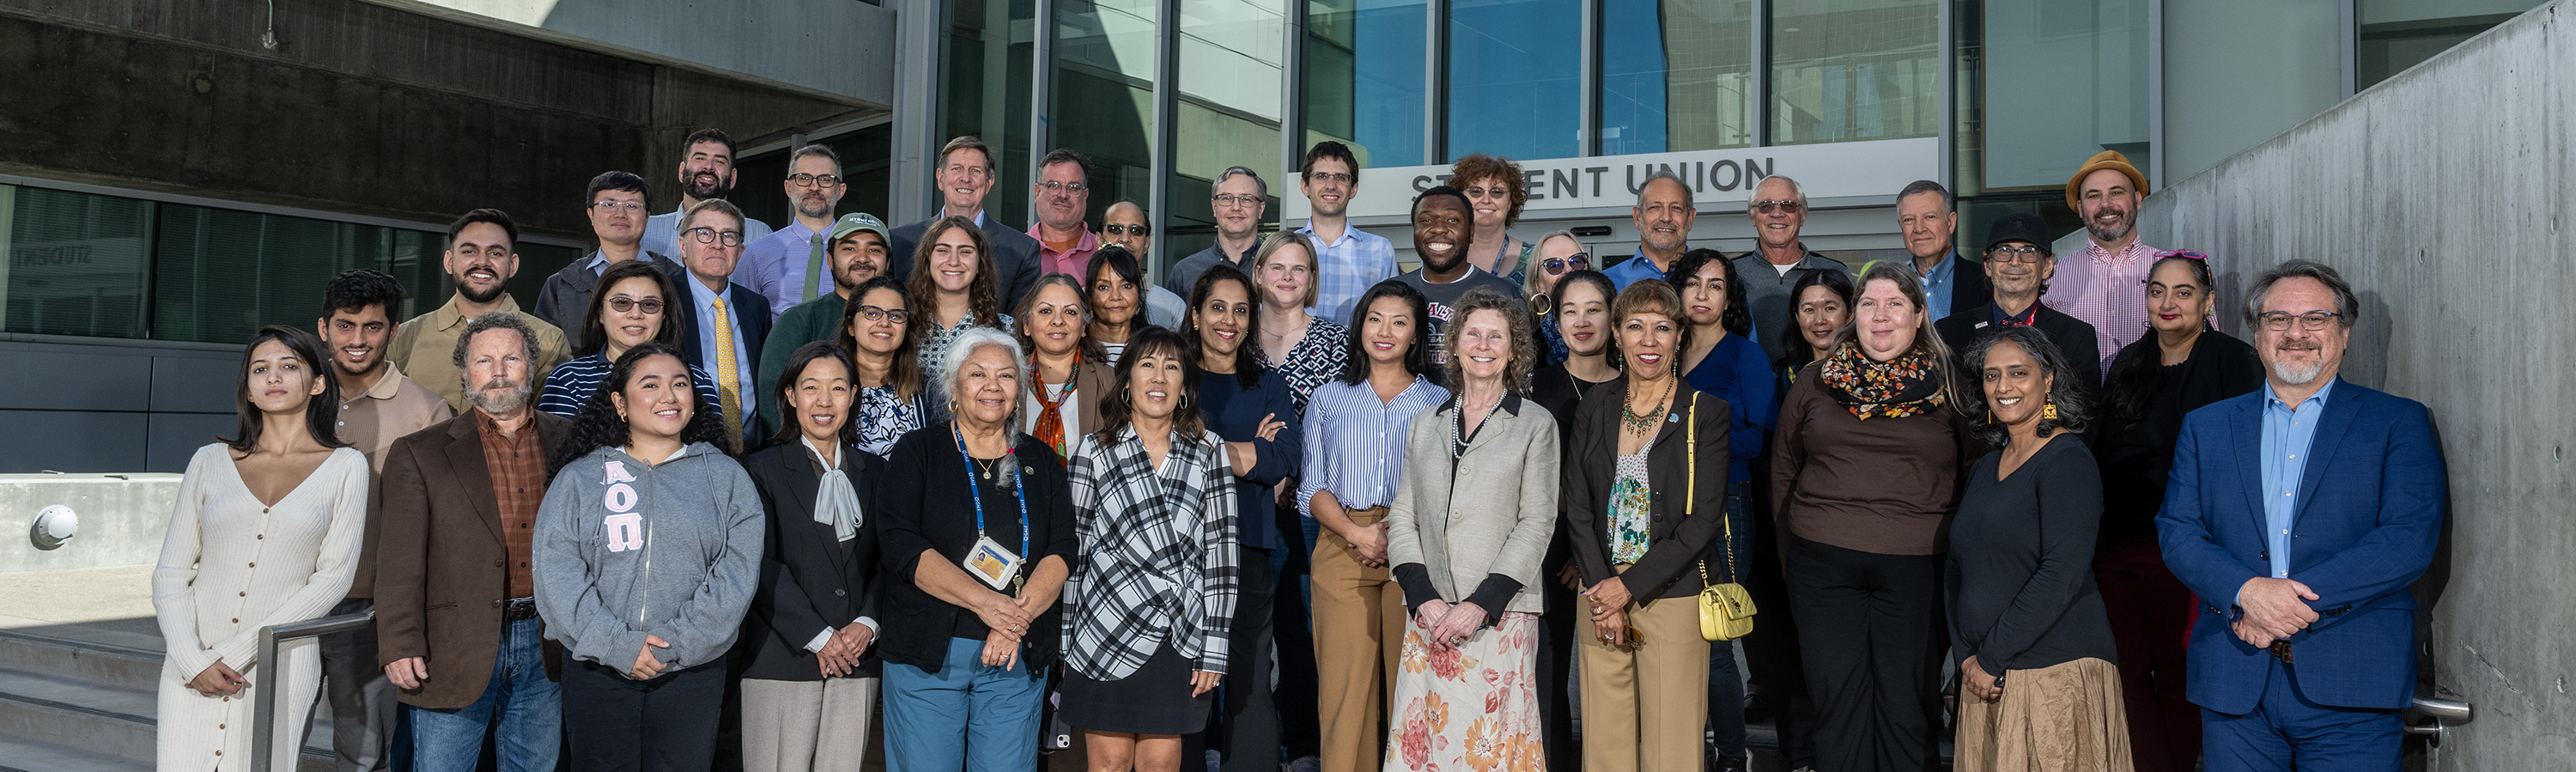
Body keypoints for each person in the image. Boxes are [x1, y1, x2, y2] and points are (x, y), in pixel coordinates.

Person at [2157, 260, 2442, 772]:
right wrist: (2248, 592)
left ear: (2345, 331)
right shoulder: (2207, 427)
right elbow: (2178, 533)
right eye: (2277, 319)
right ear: (2257, 332)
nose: (2296, 334)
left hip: (2352, 684)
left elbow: (2406, 541)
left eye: (2315, 318)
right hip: (2235, 682)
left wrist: (2283, 605)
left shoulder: (2398, 421)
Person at [1771, 263, 1976, 772]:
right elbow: (1783, 468)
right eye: (1869, 304)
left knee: (1908, 707)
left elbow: (1978, 469)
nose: (1880, 317)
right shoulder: (1815, 381)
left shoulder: (1951, 383)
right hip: (1822, 566)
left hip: (1917, 567)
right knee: (1837, 703)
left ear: (1919, 314)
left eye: (1894, 305)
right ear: (1854, 314)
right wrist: (1792, 558)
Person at [536, 342, 765, 772]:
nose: (669, 396)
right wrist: (619, 645)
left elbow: (735, 576)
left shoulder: (728, 478)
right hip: (598, 666)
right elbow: (558, 574)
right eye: (650, 384)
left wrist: (673, 647)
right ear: (619, 403)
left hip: (692, 670)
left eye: (680, 384)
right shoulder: (580, 478)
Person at [152, 325, 369, 772]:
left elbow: (333, 580)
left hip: (282, 664)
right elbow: (170, 573)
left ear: (317, 383)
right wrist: (192, 657)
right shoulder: (209, 461)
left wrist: (237, 652)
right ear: (248, 390)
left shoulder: (347, 467)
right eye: (260, 369)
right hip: (191, 661)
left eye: (289, 366)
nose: (274, 377)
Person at [376, 313, 574, 772]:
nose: (499, 371)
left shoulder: (572, 442)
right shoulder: (419, 452)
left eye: (511, 358)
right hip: (451, 645)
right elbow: (399, 562)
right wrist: (400, 643)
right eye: (483, 361)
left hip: (548, 644)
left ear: (532, 365)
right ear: (465, 374)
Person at [874, 328, 1078, 772]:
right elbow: (901, 544)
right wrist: (990, 606)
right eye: (977, 373)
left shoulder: (1041, 462)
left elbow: (1062, 549)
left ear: (1020, 390)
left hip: (1015, 654)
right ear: (953, 385)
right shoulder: (917, 451)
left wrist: (1012, 620)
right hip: (928, 657)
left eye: (1006, 376)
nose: (992, 386)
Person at [2091, 252, 2261, 772]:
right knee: (2125, 669)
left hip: (2185, 547)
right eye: (2157, 291)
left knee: (2178, 666)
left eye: (2183, 292)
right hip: (2115, 543)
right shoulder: (2128, 362)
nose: (2168, 303)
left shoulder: (2234, 361)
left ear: (2209, 301)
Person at [1382, 288, 1558, 772]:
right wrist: (1423, 595)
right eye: (1473, 333)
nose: (1483, 345)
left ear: (1514, 347)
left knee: (1491, 747)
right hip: (1429, 615)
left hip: (1499, 617)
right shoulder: (1426, 423)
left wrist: (1480, 604)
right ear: (1455, 344)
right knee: (1428, 745)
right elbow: (1403, 517)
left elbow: (1538, 522)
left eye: (1496, 336)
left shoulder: (1535, 424)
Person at [1561, 278, 1729, 772]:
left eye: (1662, 327)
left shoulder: (1706, 412)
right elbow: (1579, 502)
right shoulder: (1594, 404)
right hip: (1596, 594)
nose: (1648, 341)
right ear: (1616, 334)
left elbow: (1703, 523)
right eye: (1635, 327)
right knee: (1603, 742)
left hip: (1670, 595)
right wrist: (1603, 589)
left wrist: (1627, 589)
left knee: (1672, 745)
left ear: (1680, 336)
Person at [1948, 325, 2132, 770]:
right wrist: (1967, 657)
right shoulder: (1986, 465)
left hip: (2054, 672)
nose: (2003, 387)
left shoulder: (2067, 460)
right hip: (1985, 679)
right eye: (1991, 376)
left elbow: (2062, 571)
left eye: (2018, 373)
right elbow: (1958, 568)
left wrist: (1989, 658)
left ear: (2048, 379)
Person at [1060, 325, 1241, 772]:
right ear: (1127, 382)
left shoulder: (1209, 451)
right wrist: (1064, 641)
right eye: (1147, 365)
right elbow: (1073, 554)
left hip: (1177, 631)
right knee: (1111, 765)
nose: (1158, 377)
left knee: (1161, 765)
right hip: (1103, 626)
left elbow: (1222, 553)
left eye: (1172, 367)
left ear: (1184, 386)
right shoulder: (1092, 452)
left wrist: (1214, 646)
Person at [1296, 278, 1446, 772]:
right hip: (1342, 544)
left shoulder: (1441, 402)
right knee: (1345, 694)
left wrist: (1395, 537)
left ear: (1415, 335)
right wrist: (1359, 534)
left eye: (1400, 322)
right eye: (1376, 319)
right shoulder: (1330, 397)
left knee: (1415, 691)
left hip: (1419, 550)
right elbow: (1311, 485)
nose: (1385, 331)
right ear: (1360, 326)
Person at [312, 269, 450, 772]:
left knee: (365, 750)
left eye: (372, 327)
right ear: (324, 328)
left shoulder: (427, 411)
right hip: (285, 595)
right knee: (267, 731)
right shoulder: (292, 396)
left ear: (394, 332)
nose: (357, 340)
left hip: (366, 605)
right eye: (345, 326)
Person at [738, 342, 889, 772]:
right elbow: (760, 565)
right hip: (783, 656)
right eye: (811, 387)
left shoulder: (876, 471)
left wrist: (867, 622)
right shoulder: (759, 469)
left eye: (838, 388)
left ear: (854, 396)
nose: (824, 402)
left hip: (857, 658)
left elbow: (890, 561)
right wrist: (820, 636)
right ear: (790, 395)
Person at [1183, 264, 1303, 772]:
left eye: (1239, 310)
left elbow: (1284, 461)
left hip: (1250, 545)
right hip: (1179, 547)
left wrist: (1203, 446)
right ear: (1194, 315)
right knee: (1184, 677)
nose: (1228, 320)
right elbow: (1160, 450)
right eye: (1217, 307)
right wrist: (1249, 449)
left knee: (1251, 677)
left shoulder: (1269, 385)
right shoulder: (1172, 375)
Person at [1669, 247, 1773, 772]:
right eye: (1693, 283)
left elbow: (1756, 438)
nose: (1703, 294)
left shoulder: (1744, 356)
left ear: (1729, 296)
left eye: (1715, 285)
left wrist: (1688, 429)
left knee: (1712, 636)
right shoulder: (1659, 350)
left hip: (1725, 506)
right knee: (1669, 631)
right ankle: (1681, 748)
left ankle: (1733, 755)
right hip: (1661, 506)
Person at [1522, 268, 1614, 772]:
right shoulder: (1538, 385)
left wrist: (1591, 549)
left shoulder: (1638, 384)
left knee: (1613, 670)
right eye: (1569, 311)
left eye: (1593, 309)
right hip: (1549, 547)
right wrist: (1574, 543)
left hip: (1620, 549)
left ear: (1612, 315)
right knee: (1548, 669)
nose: (1582, 321)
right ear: (1555, 321)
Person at [389, 209, 574, 413]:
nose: (482, 262)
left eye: (495, 253)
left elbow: (551, 426)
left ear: (512, 265)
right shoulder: (404, 338)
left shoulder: (549, 340)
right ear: (449, 262)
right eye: (469, 251)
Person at [1935, 212, 2105, 394]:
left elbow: (2084, 414)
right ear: (1987, 265)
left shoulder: (2076, 338)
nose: (2015, 261)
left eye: (2029, 252)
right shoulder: (1949, 334)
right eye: (2004, 250)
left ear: (2047, 266)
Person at [538, 260, 723, 420]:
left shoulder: (696, 380)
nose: (636, 314)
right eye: (622, 303)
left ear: (665, 314)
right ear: (600, 312)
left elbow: (713, 454)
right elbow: (558, 454)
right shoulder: (569, 379)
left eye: (649, 305)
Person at [757, 212, 894, 429]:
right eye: (849, 248)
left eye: (874, 249)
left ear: (887, 263)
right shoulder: (799, 320)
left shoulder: (900, 321)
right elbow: (772, 396)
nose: (862, 258)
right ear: (830, 259)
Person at [888, 136, 1044, 311]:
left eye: (975, 171)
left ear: (989, 183)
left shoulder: (1021, 250)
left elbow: (1019, 323)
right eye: (957, 169)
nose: (966, 178)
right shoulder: (898, 242)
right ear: (940, 178)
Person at [2044, 150, 2161, 374]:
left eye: (2116, 192)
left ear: (2137, 199)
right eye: (2094, 196)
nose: (2106, 205)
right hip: (2079, 406)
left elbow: (2205, 347)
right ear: (2080, 208)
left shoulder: (2173, 271)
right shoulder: (2052, 278)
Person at [672, 198, 775, 451]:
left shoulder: (756, 306)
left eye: (728, 236)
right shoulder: (663, 300)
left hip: (753, 453)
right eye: (705, 233)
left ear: (740, 252)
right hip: (685, 452)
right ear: (683, 246)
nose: (717, 244)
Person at [533, 171, 685, 331]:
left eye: (632, 206)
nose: (621, 214)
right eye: (609, 205)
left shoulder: (675, 278)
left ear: (647, 217)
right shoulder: (562, 284)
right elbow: (547, 350)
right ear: (591, 215)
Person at [1731, 175, 1852, 364]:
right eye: (1766, 205)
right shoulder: (1729, 274)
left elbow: (1855, 336)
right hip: (1746, 388)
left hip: (1822, 386)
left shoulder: (1835, 272)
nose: (1777, 213)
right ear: (1752, 216)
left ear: (1803, 215)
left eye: (1788, 205)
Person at [1394, 186, 1521, 366]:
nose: (1439, 229)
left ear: (1471, 232)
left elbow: (1521, 371)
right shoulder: (1391, 293)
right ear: (1414, 231)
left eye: (1453, 220)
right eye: (1426, 220)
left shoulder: (1502, 294)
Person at [737, 144, 854, 317]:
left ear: (841, 190)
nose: (814, 187)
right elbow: (744, 323)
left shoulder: (862, 256)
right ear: (788, 188)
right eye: (803, 178)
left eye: (826, 179)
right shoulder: (755, 254)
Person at [1294, 141, 1396, 327]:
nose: (1331, 185)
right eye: (1321, 176)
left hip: (1355, 356)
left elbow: (1392, 315)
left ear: (1354, 189)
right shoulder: (1286, 248)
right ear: (1305, 186)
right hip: (1295, 356)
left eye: (1341, 177)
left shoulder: (1380, 250)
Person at [1017, 273, 1112, 461]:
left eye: (1070, 312)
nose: (1058, 320)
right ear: (1026, 325)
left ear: (1084, 326)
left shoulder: (1111, 382)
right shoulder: (1006, 380)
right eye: (1046, 311)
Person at [909, 215, 1013, 387]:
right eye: (943, 250)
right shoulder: (902, 325)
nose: (953, 261)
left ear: (980, 264)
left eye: (965, 251)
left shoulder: (1005, 329)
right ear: (927, 260)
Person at [641, 128, 777, 259]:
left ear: (733, 178)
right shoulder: (645, 230)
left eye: (719, 161)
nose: (709, 167)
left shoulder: (760, 235)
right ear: (682, 171)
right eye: (700, 158)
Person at [835, 275, 933, 457]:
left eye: (896, 315)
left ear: (906, 329)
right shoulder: (826, 386)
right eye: (872, 313)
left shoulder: (928, 392)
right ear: (850, 325)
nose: (884, 322)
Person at [1250, 230, 1348, 412]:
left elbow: (1343, 417)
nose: (1287, 276)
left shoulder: (1337, 341)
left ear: (1311, 278)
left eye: (1298, 269)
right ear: (1259, 274)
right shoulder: (1237, 335)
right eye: (1277, 267)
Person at [1163, 167, 1271, 297]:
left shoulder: (1278, 269)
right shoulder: (1184, 272)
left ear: (1261, 209)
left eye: (1246, 199)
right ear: (1214, 207)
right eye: (1226, 198)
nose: (1236, 207)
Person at [1895, 179, 1990, 321]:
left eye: (1930, 217)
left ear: (1951, 223)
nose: (1919, 229)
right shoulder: (1892, 285)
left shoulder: (1988, 284)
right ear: (1900, 226)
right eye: (1909, 220)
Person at [1101, 200, 1189, 329]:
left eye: (1136, 230)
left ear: (1147, 244)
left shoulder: (1172, 307)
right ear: (1099, 239)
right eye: (1115, 229)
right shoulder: (1079, 301)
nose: (1125, 238)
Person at [1451, 153, 1534, 288]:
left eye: (1497, 192)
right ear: (1461, 200)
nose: (1486, 200)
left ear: (1510, 203)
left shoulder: (1534, 261)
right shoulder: (1443, 256)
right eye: (1476, 191)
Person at [1601, 171, 1692, 289]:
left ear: (1690, 219)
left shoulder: (1710, 277)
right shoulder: (1607, 283)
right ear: (1637, 217)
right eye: (1655, 207)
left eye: (1676, 208)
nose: (1666, 218)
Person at [1029, 149, 1103, 277]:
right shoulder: (1014, 252)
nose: (1063, 195)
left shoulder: (1104, 254)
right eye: (1053, 185)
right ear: (1037, 192)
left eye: (1073, 188)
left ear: (1085, 196)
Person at [1084, 245, 1163, 364]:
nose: (1116, 297)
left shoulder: (1159, 348)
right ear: (1090, 295)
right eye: (1104, 287)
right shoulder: (1074, 349)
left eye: (1126, 286)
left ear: (1139, 293)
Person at [1773, 269, 1855, 382]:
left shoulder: (1869, 372)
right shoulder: (1781, 376)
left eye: (1830, 308)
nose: (1819, 320)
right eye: (1809, 310)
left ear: (1850, 313)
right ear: (1797, 316)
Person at [1525, 229, 1590, 363]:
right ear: (1538, 284)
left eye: (1576, 261)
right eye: (1554, 265)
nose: (1568, 270)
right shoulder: (1526, 343)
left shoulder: (1614, 327)